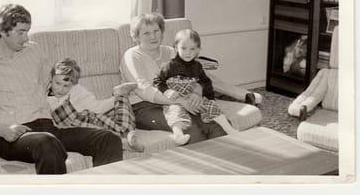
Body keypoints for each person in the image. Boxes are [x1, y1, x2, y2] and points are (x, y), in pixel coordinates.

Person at [0, 4, 122, 174]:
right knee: (47, 142)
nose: (26, 38)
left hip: (49, 128)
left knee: (108, 139)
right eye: (20, 32)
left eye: (27, 31)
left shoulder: (33, 51)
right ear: (1, 30)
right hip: (14, 138)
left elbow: (53, 82)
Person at [120, 12, 225, 143]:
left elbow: (194, 76)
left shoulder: (170, 52)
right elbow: (144, 90)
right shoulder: (132, 56)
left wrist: (197, 94)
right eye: (146, 33)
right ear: (137, 37)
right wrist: (180, 102)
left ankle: (228, 158)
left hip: (178, 99)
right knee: (190, 128)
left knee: (212, 123)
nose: (153, 36)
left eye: (156, 31)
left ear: (162, 31)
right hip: (145, 106)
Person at [153, 29, 238, 144]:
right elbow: (157, 81)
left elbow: (206, 82)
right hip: (177, 100)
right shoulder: (169, 66)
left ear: (198, 50)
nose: (188, 53)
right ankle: (178, 135)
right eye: (183, 48)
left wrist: (209, 98)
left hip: (194, 98)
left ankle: (229, 129)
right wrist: (167, 91)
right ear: (176, 47)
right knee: (174, 112)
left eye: (192, 49)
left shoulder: (197, 66)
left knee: (211, 106)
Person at [47, 58, 145, 152]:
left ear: (73, 85)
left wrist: (114, 100)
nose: (60, 89)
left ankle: (120, 96)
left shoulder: (78, 91)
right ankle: (127, 143)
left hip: (88, 120)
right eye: (57, 83)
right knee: (124, 130)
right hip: (71, 130)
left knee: (122, 130)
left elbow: (97, 108)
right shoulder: (42, 93)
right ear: (51, 79)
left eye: (66, 86)